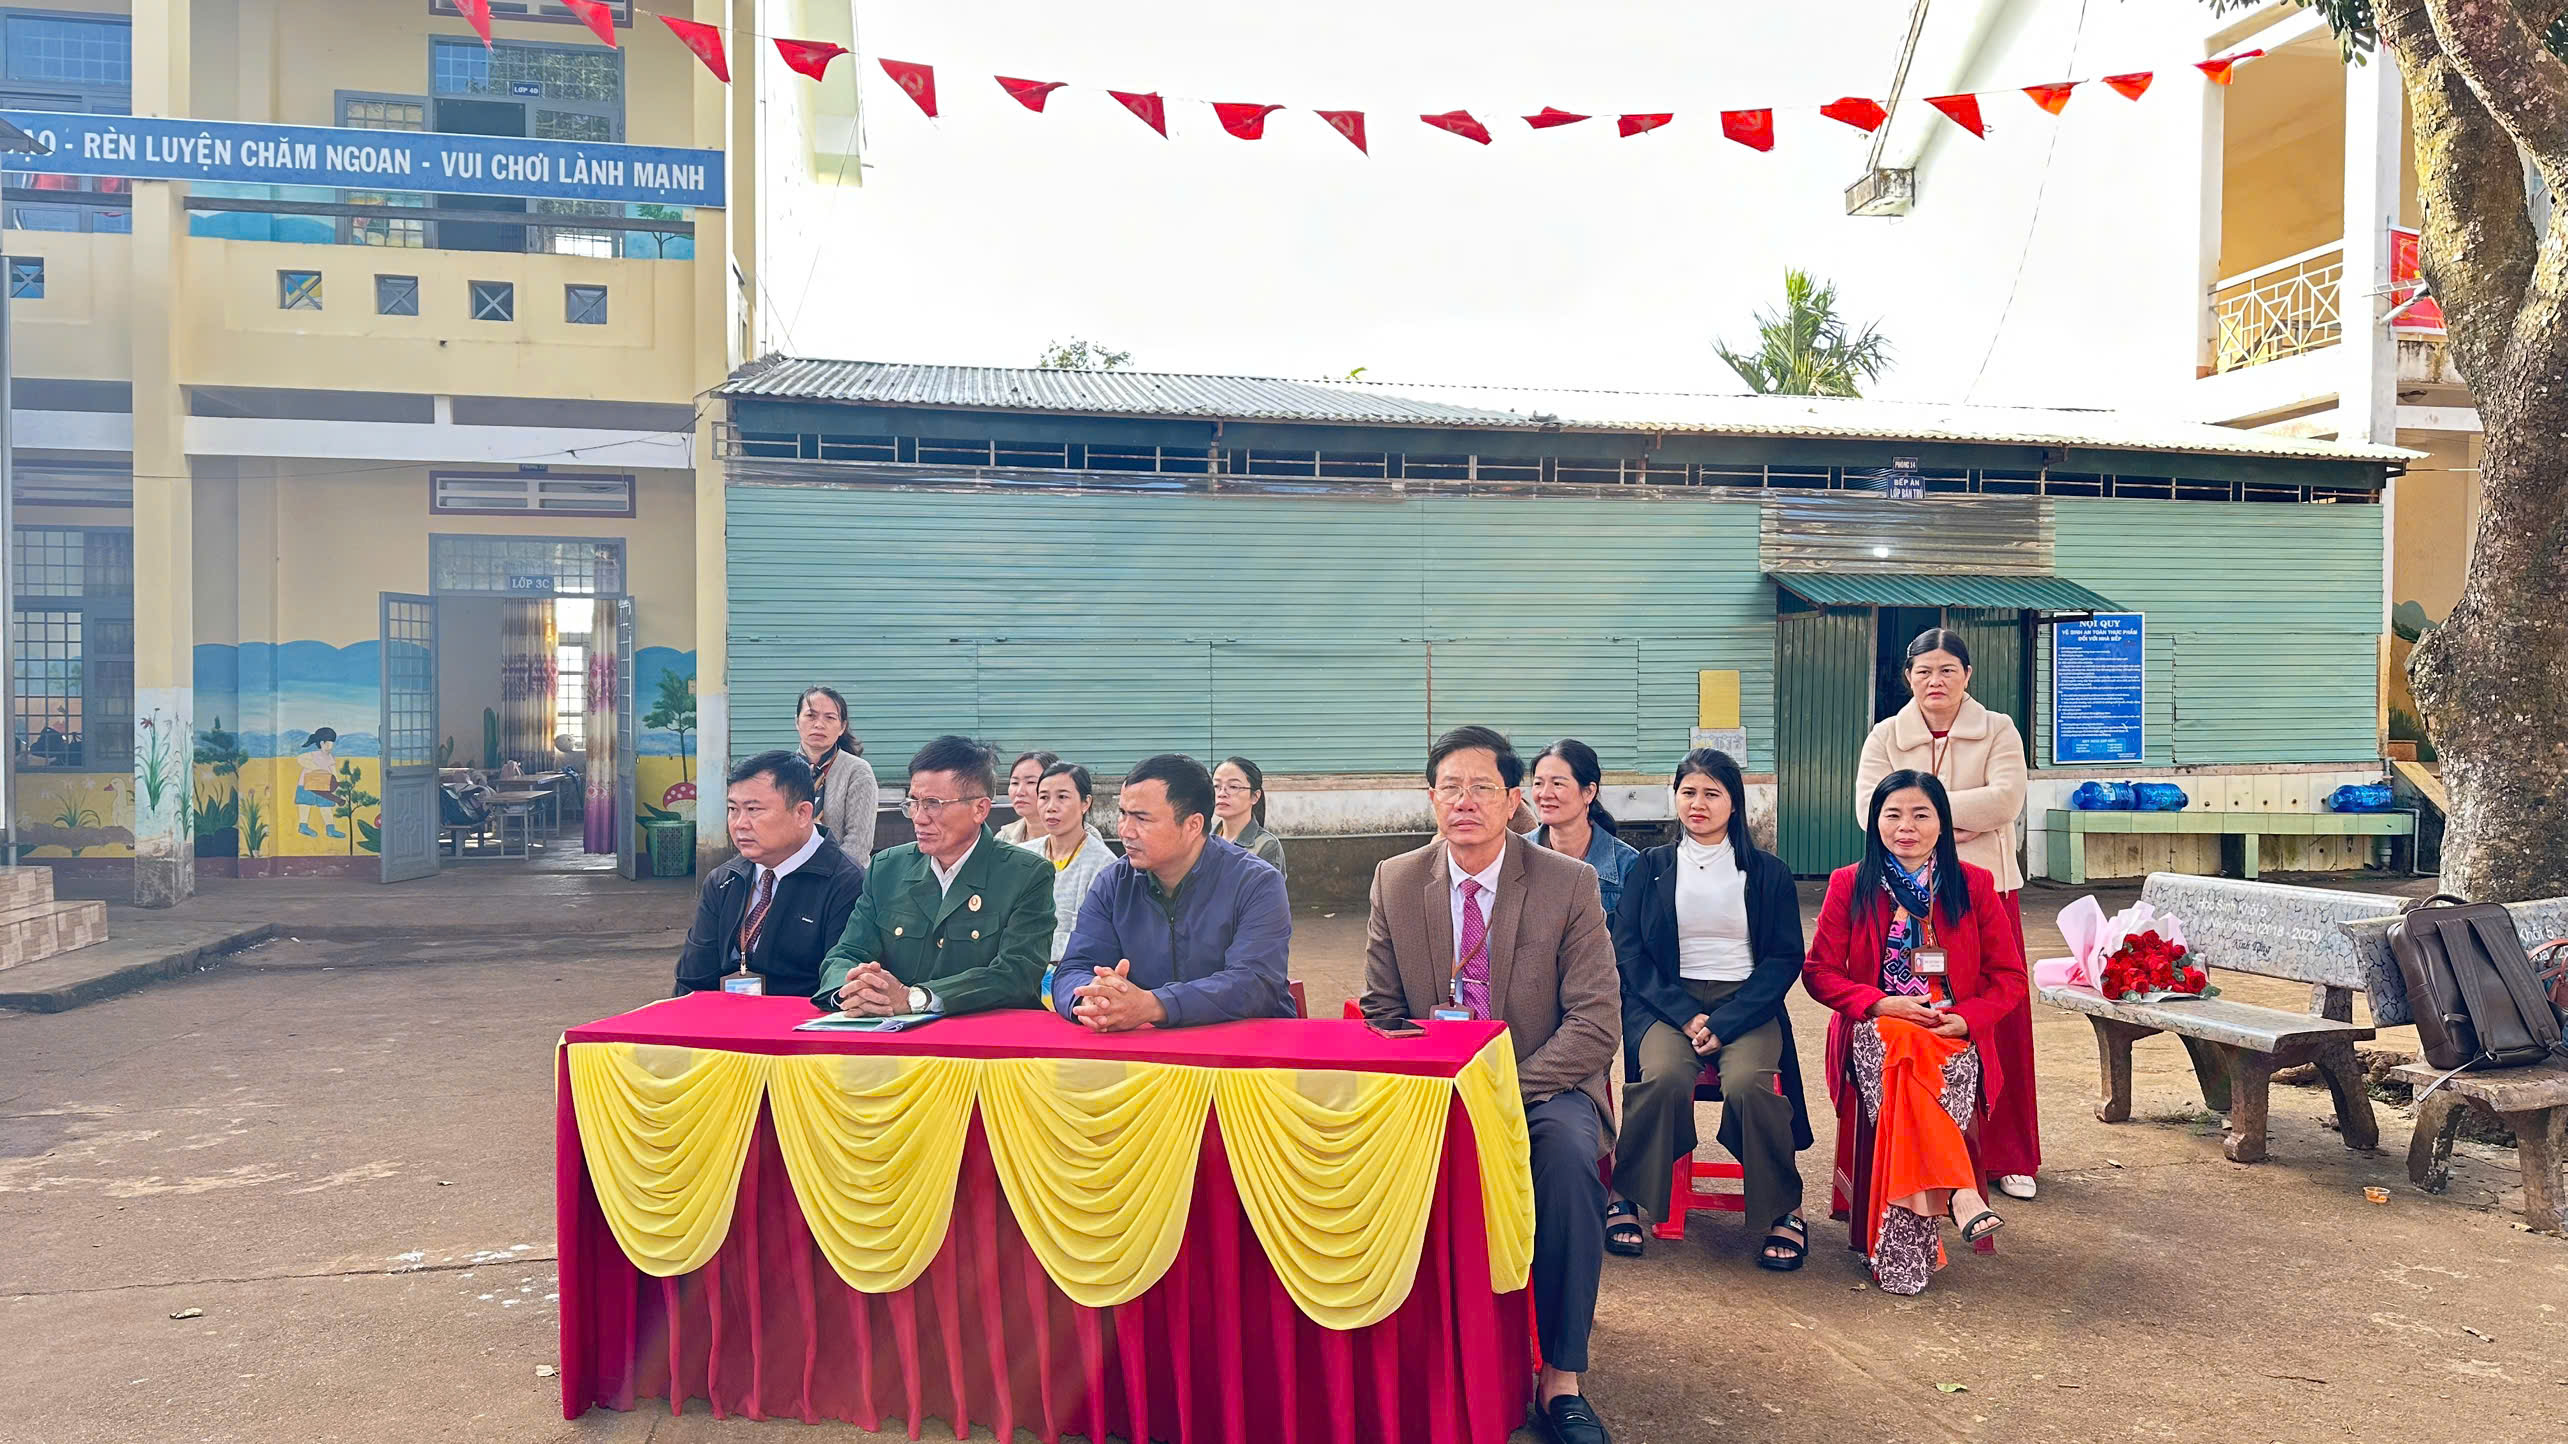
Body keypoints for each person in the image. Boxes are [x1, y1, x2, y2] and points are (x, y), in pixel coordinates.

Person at [1360, 725, 1620, 1444]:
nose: (1464, 801)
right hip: (1431, 1091)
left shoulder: (1568, 883)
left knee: (1567, 1158)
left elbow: (1595, 1023)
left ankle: (1561, 1376)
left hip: (1542, 1087)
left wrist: (1503, 1088)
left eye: (1482, 788)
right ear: (1431, 799)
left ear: (1513, 801)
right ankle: (1408, 1351)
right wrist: (1436, 1085)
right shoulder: (1396, 880)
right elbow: (1381, 1011)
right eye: (1450, 788)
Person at [1802, 771, 2025, 1296]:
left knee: (1910, 1068)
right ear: (1874, 821)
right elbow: (1819, 973)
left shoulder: (1973, 884)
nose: (1906, 827)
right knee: (1901, 1042)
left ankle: (1899, 1256)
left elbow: (2009, 978)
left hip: (1952, 1032)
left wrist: (1967, 1017)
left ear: (1942, 823)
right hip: (1874, 1027)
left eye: (1921, 814)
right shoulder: (1849, 883)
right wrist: (1880, 1003)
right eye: (1893, 814)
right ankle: (1960, 1191)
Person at [1604, 749, 1813, 1268]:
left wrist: (1726, 1021)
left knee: (1748, 1084)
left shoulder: (1767, 871)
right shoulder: (1650, 867)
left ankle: (1784, 1208)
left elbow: (1785, 956)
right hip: (1668, 1004)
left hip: (1746, 1003)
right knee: (1663, 1077)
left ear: (1734, 803)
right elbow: (1629, 951)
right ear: (1676, 797)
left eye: (1711, 794)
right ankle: (1626, 1194)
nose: (1698, 804)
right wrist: (1685, 1015)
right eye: (1688, 792)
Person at [1856, 627, 2039, 1201]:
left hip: (1982, 892)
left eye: (1948, 670)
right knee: (1918, 1016)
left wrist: (1918, 813)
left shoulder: (1998, 729)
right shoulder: (1887, 734)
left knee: (1997, 1018)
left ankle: (2009, 1156)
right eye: (1924, 671)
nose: (1935, 681)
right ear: (1907, 677)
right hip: (1903, 893)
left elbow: (2006, 800)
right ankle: (1918, 1150)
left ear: (1967, 675)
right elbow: (1867, 810)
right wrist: (1952, 819)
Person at [813, 735, 1054, 1017]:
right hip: (890, 1032)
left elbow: (1017, 974)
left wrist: (916, 999)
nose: (919, 817)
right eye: (914, 802)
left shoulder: (1025, 875)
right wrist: (856, 989)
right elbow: (845, 954)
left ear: (980, 809)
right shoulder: (887, 869)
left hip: (984, 1037)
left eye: (933, 803)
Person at [1051, 752, 1294, 1031]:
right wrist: (1094, 998)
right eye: (1123, 814)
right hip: (1147, 1043)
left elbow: (1254, 983)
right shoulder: (1114, 883)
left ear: (1193, 825)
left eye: (1142, 819)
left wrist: (1155, 1005)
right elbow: (1074, 967)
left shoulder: (1256, 882)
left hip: (1245, 1044)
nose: (1125, 831)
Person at [675, 751, 866, 1000]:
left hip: (802, 1021)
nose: (739, 823)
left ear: (802, 813)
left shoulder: (847, 884)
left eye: (753, 809)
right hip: (725, 1018)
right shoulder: (723, 880)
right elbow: (692, 981)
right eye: (733, 809)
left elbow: (839, 991)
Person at [1525, 739, 1640, 918]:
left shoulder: (1627, 864)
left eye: (1557, 784)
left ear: (1589, 792)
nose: (1545, 794)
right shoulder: (1515, 853)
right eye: (1538, 783)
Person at [1018, 761, 1118, 961]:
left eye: (1062, 797)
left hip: (1073, 968)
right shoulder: (1023, 856)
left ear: (1085, 803)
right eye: (1044, 797)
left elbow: (1095, 938)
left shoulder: (1104, 866)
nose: (1051, 807)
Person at [796, 685, 880, 862]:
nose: (819, 724)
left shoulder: (857, 771)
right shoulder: (781, 771)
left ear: (842, 727)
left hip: (843, 874)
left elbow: (858, 845)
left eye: (830, 717)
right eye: (811, 716)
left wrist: (822, 873)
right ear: (797, 722)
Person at [1211, 755, 1288, 879]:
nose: (1221, 793)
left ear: (1255, 796)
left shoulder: (1266, 845)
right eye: (1216, 786)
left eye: (1233, 786)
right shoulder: (1204, 838)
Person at [995, 750, 1058, 846]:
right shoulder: (1004, 838)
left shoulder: (1077, 839)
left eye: (1031, 782)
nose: (1019, 792)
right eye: (1014, 783)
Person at [295, 728, 343, 839]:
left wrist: (337, 781)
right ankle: (303, 826)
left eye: (332, 744)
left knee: (326, 806)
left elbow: (333, 769)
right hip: (306, 784)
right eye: (329, 744)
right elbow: (300, 759)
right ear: (322, 743)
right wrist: (316, 768)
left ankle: (330, 829)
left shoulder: (330, 757)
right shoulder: (313, 754)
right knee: (305, 804)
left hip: (323, 785)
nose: (331, 746)